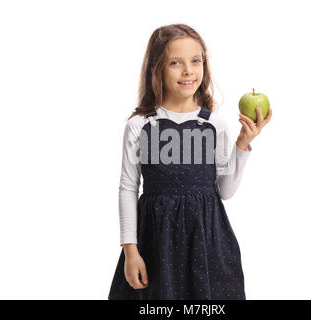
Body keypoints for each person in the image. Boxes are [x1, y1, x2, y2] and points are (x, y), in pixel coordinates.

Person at [108, 23, 272, 300]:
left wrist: (242, 144)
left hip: (207, 241)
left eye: (196, 61)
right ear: (156, 69)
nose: (188, 71)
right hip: (155, 242)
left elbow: (225, 191)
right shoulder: (140, 125)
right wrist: (130, 250)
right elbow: (128, 188)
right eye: (175, 62)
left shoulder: (214, 124)